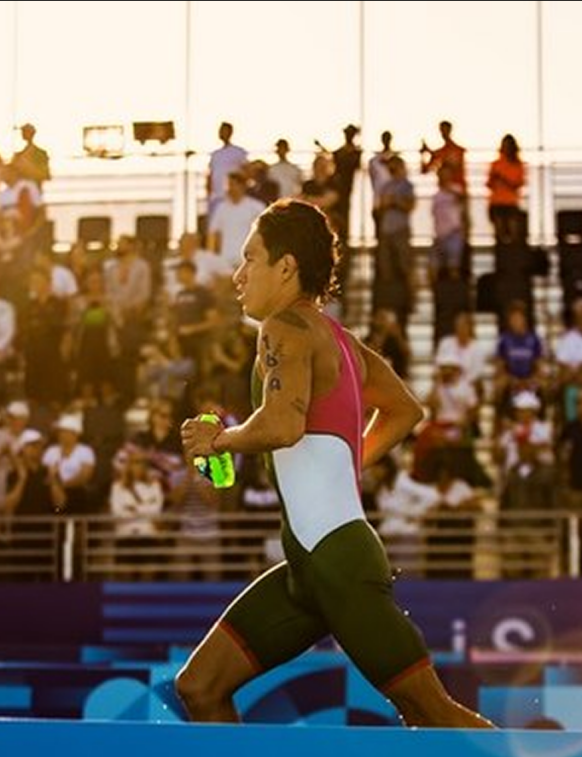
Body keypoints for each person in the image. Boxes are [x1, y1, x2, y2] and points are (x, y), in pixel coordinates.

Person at [178, 199, 493, 728]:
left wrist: (221, 441)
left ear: (286, 267)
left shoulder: (283, 328)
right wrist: (344, 467)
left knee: (434, 712)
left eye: (249, 258)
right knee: (200, 687)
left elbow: (282, 424)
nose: (238, 275)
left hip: (338, 565)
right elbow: (403, 410)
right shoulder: (341, 341)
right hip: (311, 569)